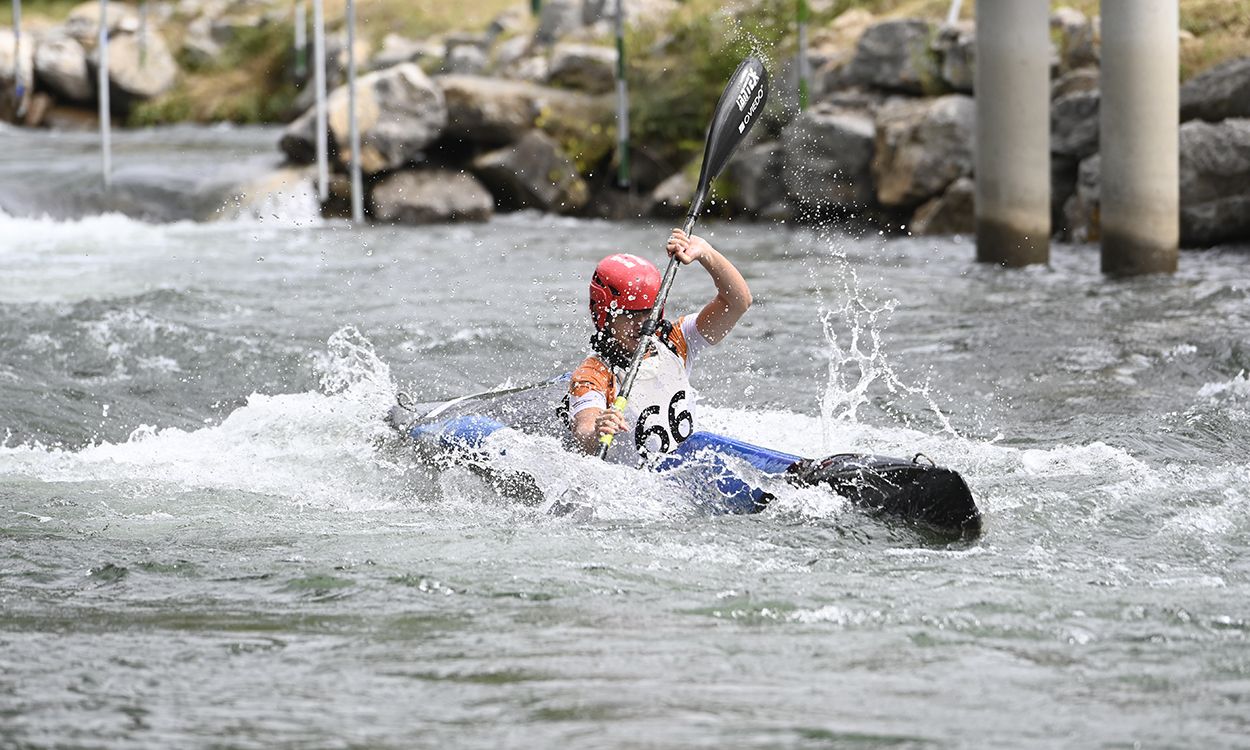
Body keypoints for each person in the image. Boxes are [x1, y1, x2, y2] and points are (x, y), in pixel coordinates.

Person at [566, 228, 752, 461]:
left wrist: (706, 253)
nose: (642, 324)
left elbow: (738, 302)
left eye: (648, 312)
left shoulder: (676, 341)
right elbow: (583, 432)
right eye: (630, 315)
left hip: (685, 468)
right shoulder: (594, 373)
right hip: (639, 479)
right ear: (604, 315)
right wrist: (598, 429)